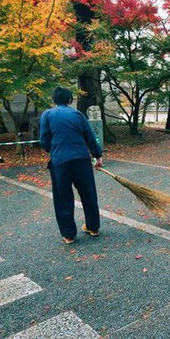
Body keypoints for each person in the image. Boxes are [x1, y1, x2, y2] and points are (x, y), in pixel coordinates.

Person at [40, 87, 103, 244]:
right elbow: (90, 136)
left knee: (63, 197)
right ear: (70, 100)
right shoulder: (78, 115)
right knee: (88, 193)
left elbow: (45, 140)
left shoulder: (47, 115)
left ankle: (68, 235)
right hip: (81, 159)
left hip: (60, 161)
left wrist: (52, 149)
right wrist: (97, 156)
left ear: (54, 100)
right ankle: (93, 227)